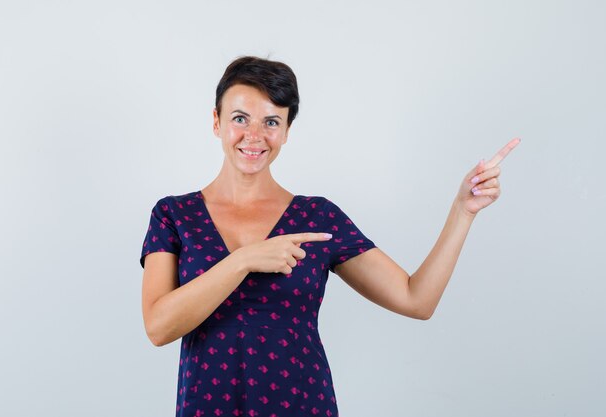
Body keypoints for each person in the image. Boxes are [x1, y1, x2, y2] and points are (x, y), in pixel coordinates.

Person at [139, 55, 521, 416]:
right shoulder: (174, 215)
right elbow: (158, 327)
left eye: (272, 122)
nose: (254, 135)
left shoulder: (317, 217)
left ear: (287, 131)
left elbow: (415, 299)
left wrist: (461, 212)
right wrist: (244, 260)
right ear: (216, 122)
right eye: (240, 118)